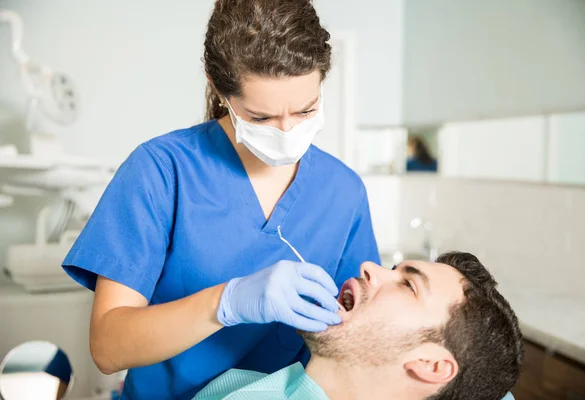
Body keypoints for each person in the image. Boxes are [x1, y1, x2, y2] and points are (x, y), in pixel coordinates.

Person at [61, 1, 379, 399]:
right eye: (261, 118)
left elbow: (362, 339)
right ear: (218, 88)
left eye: (305, 110)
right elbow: (108, 348)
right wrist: (226, 302)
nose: (287, 132)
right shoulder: (162, 171)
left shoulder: (342, 191)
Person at [192, 252, 523, 400]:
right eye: (396, 268)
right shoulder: (233, 390)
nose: (369, 267)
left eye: (409, 286)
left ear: (430, 364)